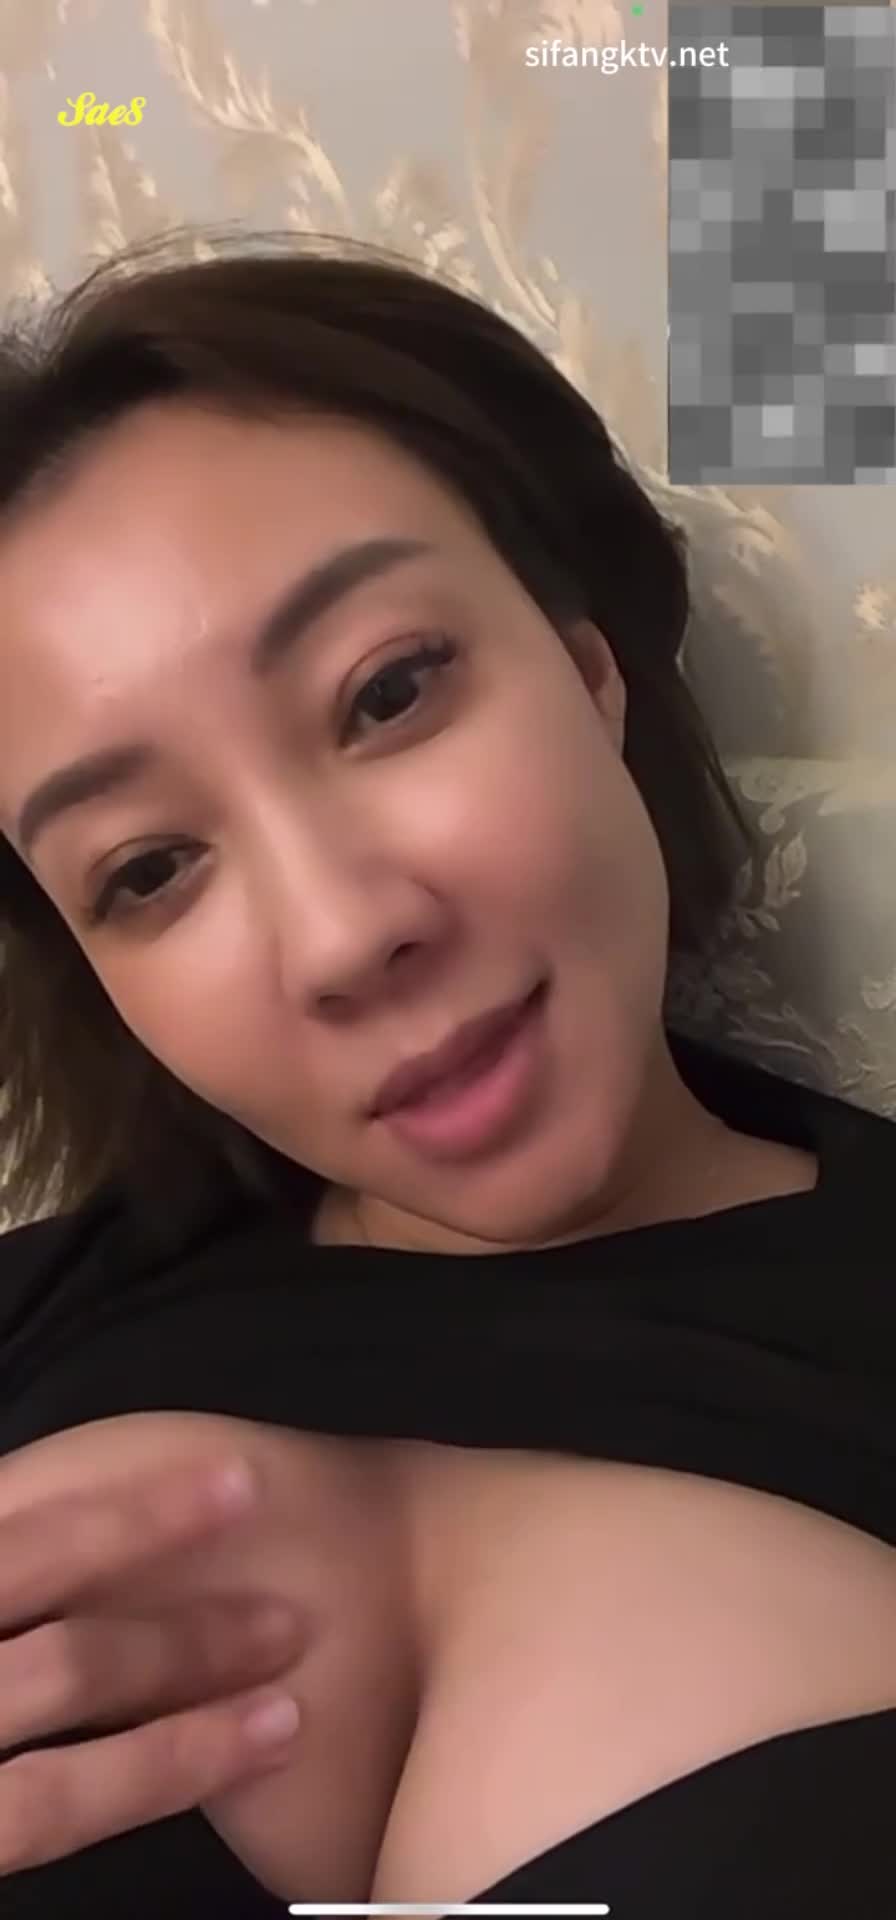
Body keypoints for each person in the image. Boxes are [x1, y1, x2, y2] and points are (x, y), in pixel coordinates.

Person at [0, 223, 892, 1919]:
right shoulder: (42, 1319)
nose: (343, 936)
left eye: (388, 693)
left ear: (588, 668)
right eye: (148, 869)